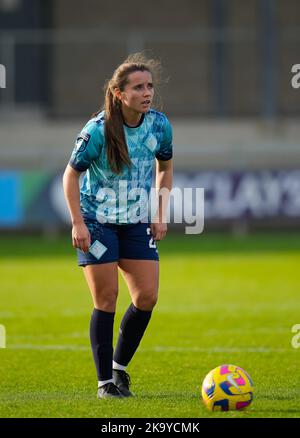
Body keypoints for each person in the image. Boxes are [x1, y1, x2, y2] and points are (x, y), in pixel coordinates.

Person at [62, 52, 173, 399]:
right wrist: (77, 222)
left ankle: (119, 369)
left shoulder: (159, 125)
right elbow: (70, 175)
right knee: (106, 298)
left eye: (150, 86)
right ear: (120, 93)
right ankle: (104, 384)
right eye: (138, 87)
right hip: (97, 224)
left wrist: (159, 213)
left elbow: (165, 167)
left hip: (136, 221)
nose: (147, 93)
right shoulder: (97, 129)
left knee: (147, 297)